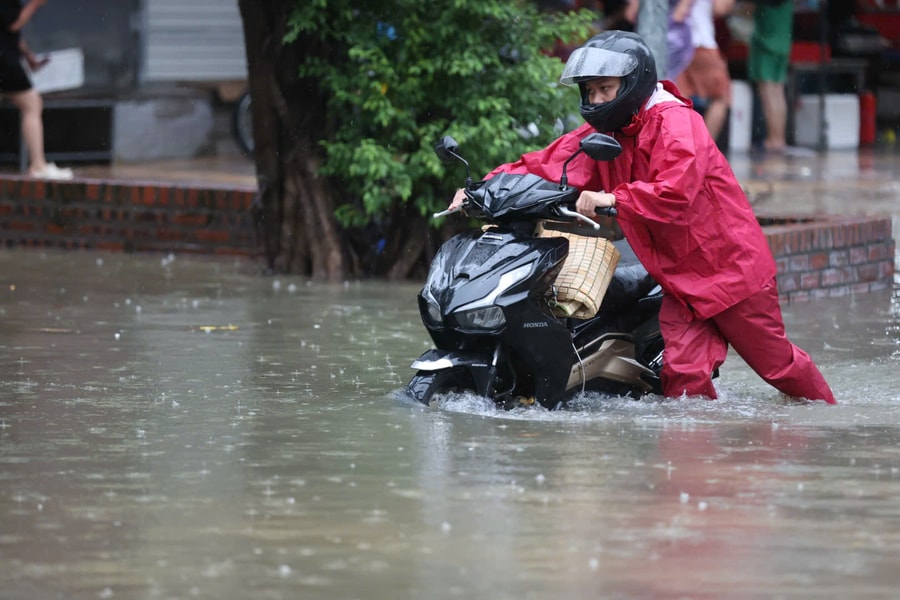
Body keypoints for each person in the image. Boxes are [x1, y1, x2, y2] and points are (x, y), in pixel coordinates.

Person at [450, 31, 835, 404]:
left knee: (778, 367)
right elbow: (548, 164)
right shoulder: (611, 131)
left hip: (731, 272)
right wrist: (483, 188)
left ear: (634, 82)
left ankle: (832, 424)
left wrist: (612, 198)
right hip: (679, 280)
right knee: (683, 382)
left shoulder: (676, 122)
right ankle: (696, 449)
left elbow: (675, 190)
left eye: (605, 88)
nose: (596, 99)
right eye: (590, 91)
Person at [0, 0, 73, 180]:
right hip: (4, 61)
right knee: (31, 104)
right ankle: (38, 165)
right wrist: (35, 4)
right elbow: (13, 24)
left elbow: (9, 33)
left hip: (7, 58)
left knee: (31, 103)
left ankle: (38, 165)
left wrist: (29, 57)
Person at [675, 0, 733, 143]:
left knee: (679, 97)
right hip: (701, 43)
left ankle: (682, 143)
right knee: (721, 96)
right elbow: (721, 8)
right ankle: (704, 146)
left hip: (675, 45)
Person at [747, 0, 793, 153]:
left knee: (768, 92)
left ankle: (773, 139)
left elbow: (749, 9)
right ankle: (779, 138)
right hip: (783, 43)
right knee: (778, 92)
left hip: (766, 43)